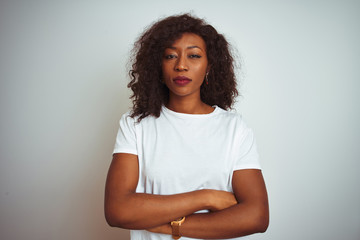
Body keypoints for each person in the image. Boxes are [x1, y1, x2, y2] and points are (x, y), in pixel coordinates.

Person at [105, 13, 269, 240]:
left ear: (209, 66)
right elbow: (117, 211)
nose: (181, 65)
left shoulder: (235, 129)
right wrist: (206, 197)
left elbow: (256, 216)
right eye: (170, 56)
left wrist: (167, 227)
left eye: (193, 55)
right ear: (158, 66)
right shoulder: (135, 124)